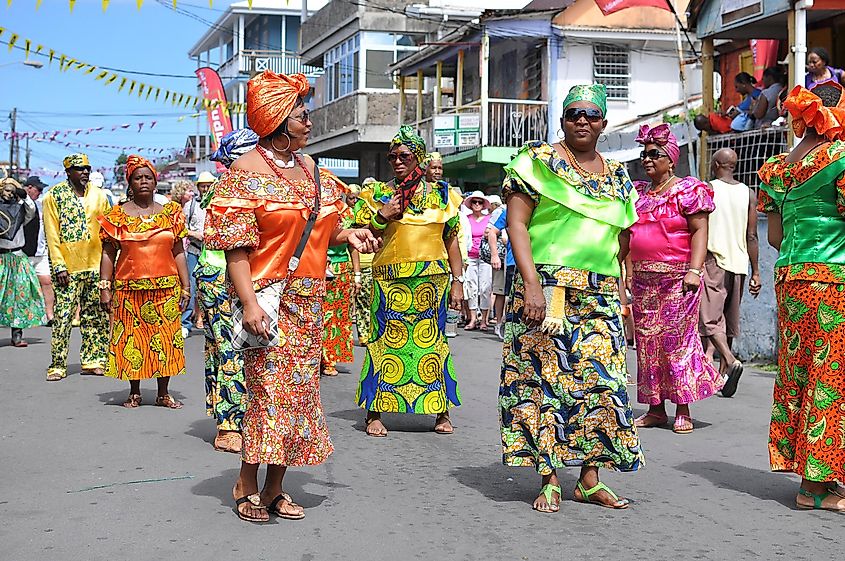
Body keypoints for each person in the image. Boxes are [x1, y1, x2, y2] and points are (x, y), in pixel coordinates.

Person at [204, 70, 379, 523]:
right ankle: (246, 480)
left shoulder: (312, 171)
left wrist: (350, 234)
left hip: (309, 299)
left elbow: (322, 230)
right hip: (267, 299)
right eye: (302, 113)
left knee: (300, 395)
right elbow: (237, 252)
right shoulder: (244, 175)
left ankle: (276, 486)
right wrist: (248, 305)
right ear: (279, 119)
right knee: (268, 393)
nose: (309, 120)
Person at [500, 84, 642, 513]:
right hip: (545, 287)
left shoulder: (617, 174)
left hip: (599, 290)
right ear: (562, 120)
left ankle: (589, 479)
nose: (582, 120)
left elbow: (622, 238)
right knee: (541, 384)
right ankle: (548, 479)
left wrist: (622, 288)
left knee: (602, 385)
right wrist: (530, 284)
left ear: (603, 123)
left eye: (591, 114)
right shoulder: (537, 162)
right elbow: (517, 225)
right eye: (573, 113)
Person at [757, 82, 845, 512]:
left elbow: (775, 236)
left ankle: (809, 480)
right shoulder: (839, 158)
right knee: (829, 378)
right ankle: (817, 485)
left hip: (791, 280)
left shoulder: (775, 169)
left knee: (798, 373)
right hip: (833, 282)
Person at [354, 125, 464, 438]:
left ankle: (441, 411)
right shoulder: (377, 194)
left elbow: (452, 239)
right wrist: (382, 215)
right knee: (383, 344)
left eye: (404, 155)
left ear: (418, 157)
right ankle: (374, 412)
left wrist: (458, 282)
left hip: (432, 283)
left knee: (434, 344)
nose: (397, 161)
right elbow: (360, 235)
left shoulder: (443, 194)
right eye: (392, 157)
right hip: (389, 282)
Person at [628, 124, 724, 434]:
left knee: (677, 343)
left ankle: (683, 407)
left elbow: (700, 231)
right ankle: (655, 408)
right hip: (644, 280)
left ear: (670, 159)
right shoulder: (638, 192)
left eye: (654, 154)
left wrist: (695, 271)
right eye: (644, 154)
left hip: (678, 279)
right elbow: (628, 234)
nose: (647, 159)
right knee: (647, 343)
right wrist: (628, 272)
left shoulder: (688, 190)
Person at [98, 156, 190, 409]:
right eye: (138, 178)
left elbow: (178, 251)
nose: (143, 182)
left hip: (166, 289)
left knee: (166, 340)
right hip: (129, 289)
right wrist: (105, 287)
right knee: (132, 340)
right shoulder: (116, 216)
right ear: (130, 182)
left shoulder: (171, 214)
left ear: (155, 181)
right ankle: (135, 391)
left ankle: (163, 393)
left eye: (148, 177)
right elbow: (108, 254)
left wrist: (186, 286)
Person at [196, 128, 258, 453]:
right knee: (231, 347)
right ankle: (228, 423)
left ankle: (240, 415)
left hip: (249, 275)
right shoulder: (229, 187)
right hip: (220, 275)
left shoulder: (256, 183)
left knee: (243, 348)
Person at [699, 148, 762, 397]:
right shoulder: (748, 193)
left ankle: (729, 359)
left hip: (713, 260)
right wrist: (756, 271)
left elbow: (699, 225)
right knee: (728, 320)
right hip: (739, 263)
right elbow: (752, 235)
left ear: (715, 164)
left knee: (708, 319)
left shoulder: (709, 188)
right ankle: (724, 378)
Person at [42, 153, 110, 381]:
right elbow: (52, 234)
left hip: (95, 264)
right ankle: (58, 364)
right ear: (68, 171)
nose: (85, 173)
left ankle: (93, 360)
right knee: (63, 317)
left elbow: (108, 230)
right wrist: (59, 265)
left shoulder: (100, 196)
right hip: (67, 268)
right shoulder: (54, 196)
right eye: (79, 169)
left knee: (95, 316)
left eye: (87, 169)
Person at [0, 178, 46, 347]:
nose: (9, 194)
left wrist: (24, 196)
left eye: (12, 191)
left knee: (18, 298)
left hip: (17, 258)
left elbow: (31, 209)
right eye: (6, 190)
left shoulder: (20, 211)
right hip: (1, 257)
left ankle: (17, 335)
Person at [321, 201, 355, 377]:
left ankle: (331, 358)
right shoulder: (319, 210)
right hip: (319, 266)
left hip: (342, 269)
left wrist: (356, 274)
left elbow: (352, 246)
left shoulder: (348, 214)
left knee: (339, 316)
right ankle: (321, 357)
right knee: (323, 314)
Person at [23, 175, 54, 324]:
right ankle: (25, 316)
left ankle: (50, 315)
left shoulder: (41, 205)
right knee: (24, 286)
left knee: (46, 281)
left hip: (41, 252)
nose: (40, 192)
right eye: (38, 189)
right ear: (29, 188)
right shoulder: (20, 205)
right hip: (24, 252)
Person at [463, 191, 493, 330]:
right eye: (474, 202)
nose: (477, 204)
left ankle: (484, 320)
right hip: (470, 256)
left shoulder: (489, 218)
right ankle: (473, 318)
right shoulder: (466, 218)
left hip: (485, 257)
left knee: (485, 287)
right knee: (471, 287)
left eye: (480, 202)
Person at [486, 206, 511, 341]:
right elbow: (491, 232)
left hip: (537, 260)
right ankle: (502, 324)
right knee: (509, 295)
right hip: (513, 261)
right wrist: (494, 255)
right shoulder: (509, 211)